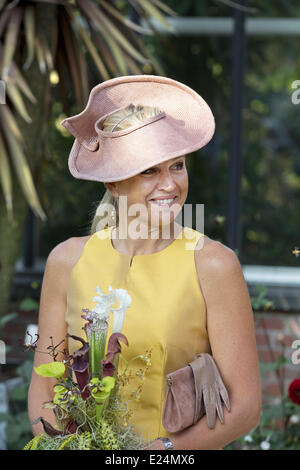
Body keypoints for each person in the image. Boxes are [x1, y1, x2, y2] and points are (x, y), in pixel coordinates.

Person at [28, 75, 261, 450]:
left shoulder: (214, 265)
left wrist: (162, 453)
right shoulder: (67, 260)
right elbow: (44, 386)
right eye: (150, 170)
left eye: (178, 166)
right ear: (113, 184)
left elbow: (246, 407)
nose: (169, 184)